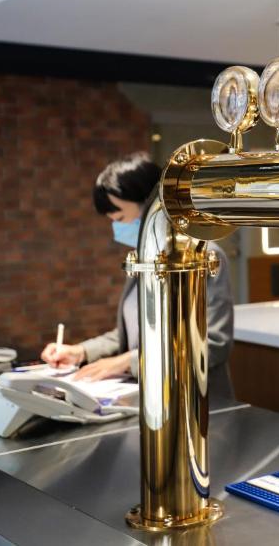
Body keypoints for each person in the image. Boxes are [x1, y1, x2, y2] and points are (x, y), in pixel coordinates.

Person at [41, 152, 235, 400]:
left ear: (153, 203)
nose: (116, 228)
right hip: (146, 397)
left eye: (120, 218)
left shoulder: (202, 256)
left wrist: (127, 361)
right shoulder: (142, 257)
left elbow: (213, 344)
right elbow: (134, 334)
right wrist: (81, 351)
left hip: (194, 401)